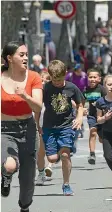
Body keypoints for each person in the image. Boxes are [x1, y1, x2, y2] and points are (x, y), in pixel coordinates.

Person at [1, 41, 43, 212]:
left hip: (28, 129)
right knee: (10, 165)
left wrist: (25, 95)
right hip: (4, 129)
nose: (26, 58)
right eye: (21, 55)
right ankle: (5, 176)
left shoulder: (34, 77)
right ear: (10, 58)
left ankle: (24, 207)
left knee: (27, 180)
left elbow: (38, 107)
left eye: (26, 54)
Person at [41, 60, 84, 196]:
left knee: (65, 155)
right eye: (54, 80)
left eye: (60, 80)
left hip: (66, 125)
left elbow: (80, 104)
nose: (57, 82)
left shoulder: (72, 87)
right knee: (52, 159)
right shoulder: (46, 88)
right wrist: (36, 123)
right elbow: (37, 106)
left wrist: (79, 118)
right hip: (49, 126)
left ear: (65, 74)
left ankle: (66, 184)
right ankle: (60, 151)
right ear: (50, 76)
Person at [83, 68, 106, 165]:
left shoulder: (102, 89)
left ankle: (109, 151)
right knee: (93, 132)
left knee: (102, 139)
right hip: (92, 116)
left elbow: (107, 101)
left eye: (94, 77)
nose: (92, 79)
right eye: (90, 77)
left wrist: (99, 103)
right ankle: (92, 154)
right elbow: (82, 102)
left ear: (99, 79)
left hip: (103, 116)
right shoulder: (85, 90)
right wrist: (82, 109)